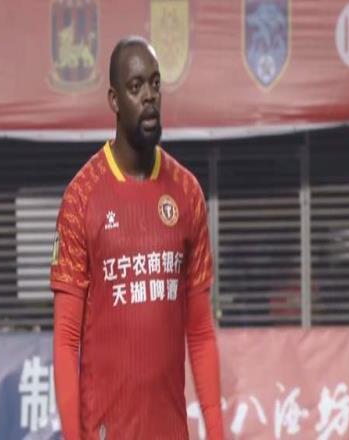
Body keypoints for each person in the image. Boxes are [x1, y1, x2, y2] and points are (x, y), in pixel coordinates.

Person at [50, 36, 224, 440]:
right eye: (135, 86)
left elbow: (200, 332)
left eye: (155, 83)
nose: (149, 96)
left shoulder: (187, 193)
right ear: (114, 100)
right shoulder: (81, 197)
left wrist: (216, 432)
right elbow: (66, 341)